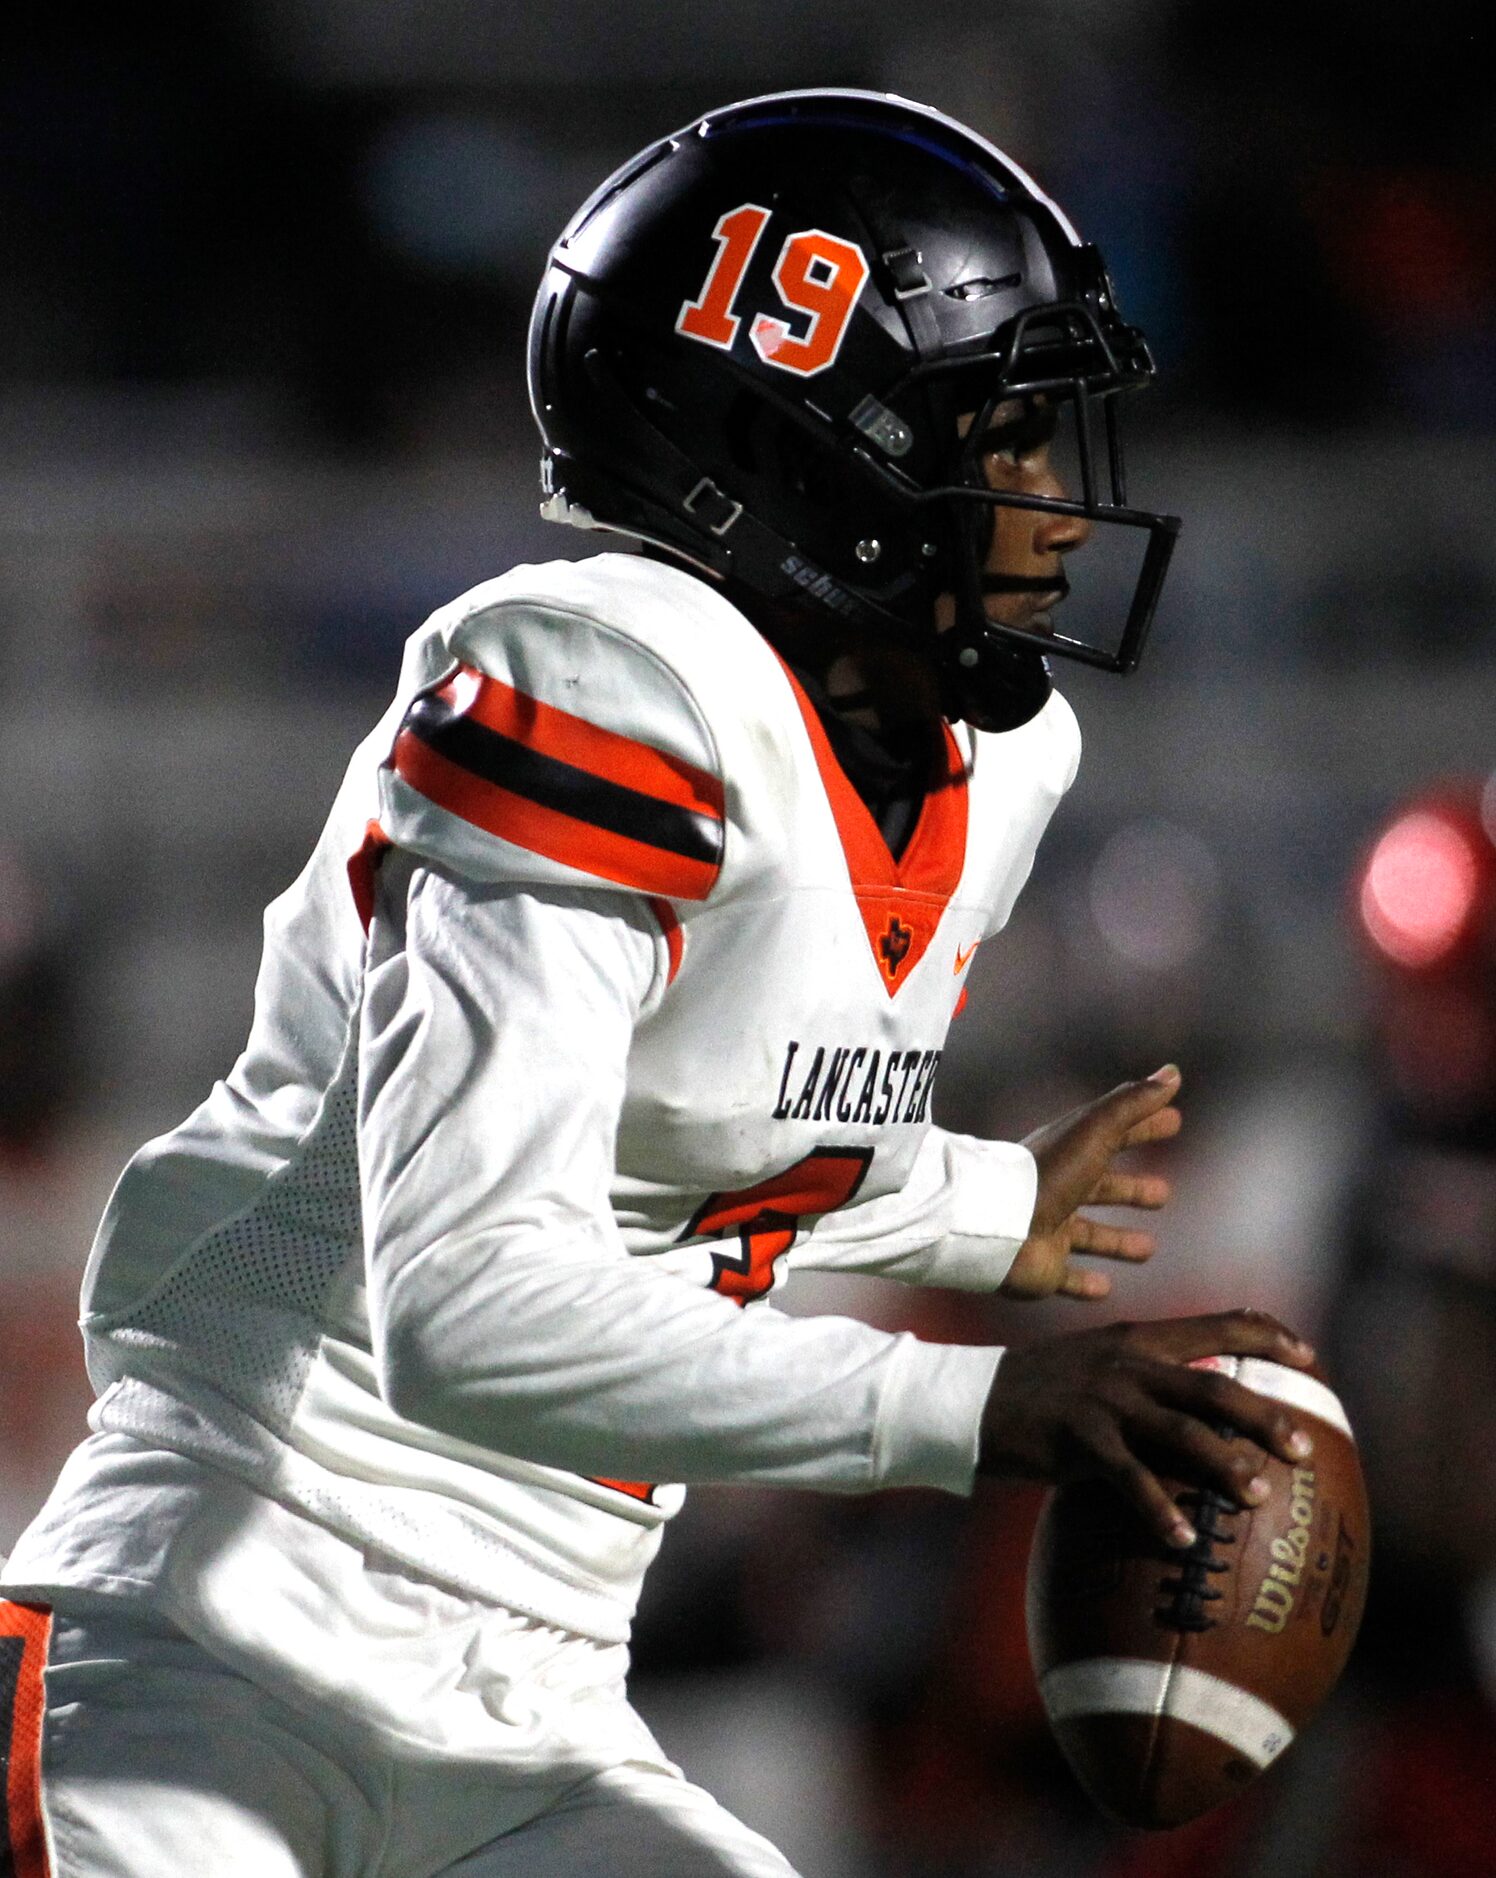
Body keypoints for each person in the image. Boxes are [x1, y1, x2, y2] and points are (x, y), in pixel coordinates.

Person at [0, 90, 1317, 1877]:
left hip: (538, 1696)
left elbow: (701, 1133)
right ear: (810, 468)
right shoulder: (604, 682)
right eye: (999, 442)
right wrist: (973, 1409)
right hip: (211, 1641)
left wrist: (978, 1203)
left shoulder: (998, 764)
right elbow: (464, 1300)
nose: (1059, 510)